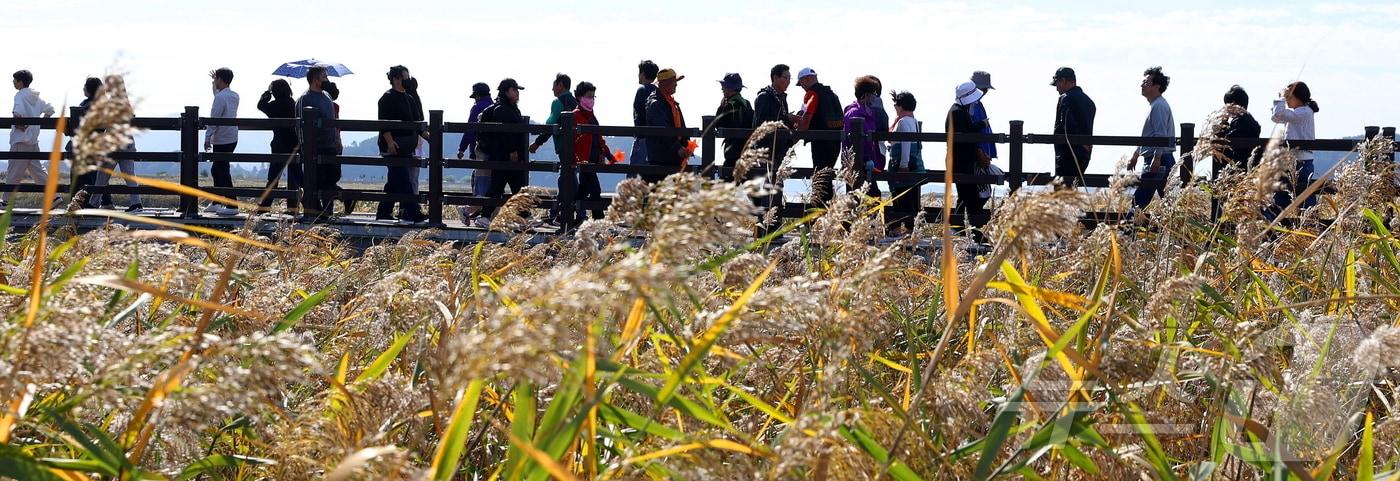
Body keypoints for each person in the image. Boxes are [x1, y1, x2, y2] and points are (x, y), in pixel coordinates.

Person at [70, 76, 141, 211]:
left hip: (115, 143)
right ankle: (136, 203)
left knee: (103, 173)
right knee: (128, 174)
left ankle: (95, 202)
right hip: (127, 141)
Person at [473, 78, 530, 228]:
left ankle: (523, 216)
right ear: (506, 91)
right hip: (504, 155)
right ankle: (485, 216)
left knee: (514, 187)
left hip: (508, 155)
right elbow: (505, 133)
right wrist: (512, 150)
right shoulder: (502, 109)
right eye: (514, 90)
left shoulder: (510, 108)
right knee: (499, 187)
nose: (517, 93)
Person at [375, 65, 426, 223]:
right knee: (403, 180)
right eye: (405, 77)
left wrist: (432, 138)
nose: (408, 80)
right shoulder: (387, 98)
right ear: (396, 79)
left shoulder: (409, 98)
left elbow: (417, 124)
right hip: (393, 146)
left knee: (394, 181)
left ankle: (384, 211)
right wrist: (390, 142)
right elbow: (384, 122)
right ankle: (413, 212)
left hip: (407, 146)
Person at [530, 74, 578, 227]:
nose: (552, 88)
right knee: (571, 178)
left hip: (565, 146)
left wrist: (537, 143)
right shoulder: (575, 101)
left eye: (554, 85)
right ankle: (573, 213)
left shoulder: (558, 102)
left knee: (565, 179)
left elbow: (550, 125)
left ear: (561, 85)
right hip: (577, 146)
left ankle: (561, 215)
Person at [1268, 80, 1321, 220]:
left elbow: (1278, 115)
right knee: (1296, 193)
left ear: (1299, 98)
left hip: (1300, 161)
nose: (1287, 100)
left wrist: (1280, 97)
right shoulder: (1300, 113)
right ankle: (1306, 222)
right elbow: (1276, 116)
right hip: (1297, 160)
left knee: (1302, 194)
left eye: (1289, 97)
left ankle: (1275, 219)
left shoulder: (1303, 113)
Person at [4, 70, 56, 209]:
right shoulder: (36, 96)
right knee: (38, 171)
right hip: (33, 139)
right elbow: (50, 109)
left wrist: (20, 125)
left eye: (14, 80)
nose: (13, 82)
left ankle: (6, 201)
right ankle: (54, 197)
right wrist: (40, 124)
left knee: (14, 170)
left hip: (20, 139)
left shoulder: (19, 95)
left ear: (20, 82)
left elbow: (18, 113)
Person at [295, 66, 340, 221]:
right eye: (324, 77)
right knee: (316, 181)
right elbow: (300, 126)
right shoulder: (304, 99)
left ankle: (328, 212)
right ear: (315, 80)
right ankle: (315, 212)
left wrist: (337, 138)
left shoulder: (327, 95)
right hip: (315, 148)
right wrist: (304, 148)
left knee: (332, 178)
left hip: (330, 145)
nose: (327, 80)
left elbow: (334, 120)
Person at [1127, 66, 1175, 211]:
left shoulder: (1158, 106)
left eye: (1146, 82)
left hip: (1159, 159)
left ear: (1157, 86)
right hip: (1159, 158)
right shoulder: (1156, 105)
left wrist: (1157, 158)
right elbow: (1149, 136)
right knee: (1168, 202)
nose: (1142, 85)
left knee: (1139, 201)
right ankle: (1176, 231)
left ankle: (1129, 231)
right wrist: (1136, 154)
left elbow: (1160, 135)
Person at [949, 81, 991, 243]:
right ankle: (967, 231)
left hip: (961, 160)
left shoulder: (956, 111)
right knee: (970, 196)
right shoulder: (958, 113)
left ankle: (961, 228)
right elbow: (966, 134)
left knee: (966, 196)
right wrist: (980, 124)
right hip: (962, 161)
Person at [794, 67, 844, 203]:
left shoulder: (811, 94)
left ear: (807, 79)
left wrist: (795, 131)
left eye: (801, 83)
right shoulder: (832, 94)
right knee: (826, 177)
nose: (802, 87)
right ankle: (829, 212)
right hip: (836, 143)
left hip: (821, 143)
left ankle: (819, 212)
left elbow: (805, 120)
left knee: (820, 178)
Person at [257, 78, 301, 213]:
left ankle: (264, 207)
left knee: (273, 178)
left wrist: (267, 92)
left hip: (278, 145)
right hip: (293, 144)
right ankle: (301, 206)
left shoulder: (274, 106)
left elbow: (260, 105)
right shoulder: (293, 104)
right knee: (298, 177)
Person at [568, 81, 610, 224]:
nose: (591, 99)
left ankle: (564, 215)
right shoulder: (575, 115)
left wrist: (608, 154)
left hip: (592, 159)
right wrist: (574, 158)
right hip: (583, 160)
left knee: (583, 190)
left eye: (593, 97)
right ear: (579, 97)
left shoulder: (592, 116)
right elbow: (571, 141)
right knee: (595, 189)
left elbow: (599, 138)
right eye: (588, 96)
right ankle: (599, 221)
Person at [1051, 67, 1096, 189]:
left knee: (1061, 193)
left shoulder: (1065, 98)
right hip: (1084, 155)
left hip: (1067, 153)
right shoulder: (1089, 102)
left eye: (1057, 83)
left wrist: (1079, 142)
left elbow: (1066, 126)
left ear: (1064, 80)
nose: (1056, 88)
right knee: (1072, 191)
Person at [887, 91, 925, 234]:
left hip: (901, 164)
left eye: (896, 103)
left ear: (901, 106)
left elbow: (906, 143)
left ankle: (897, 231)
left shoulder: (902, 121)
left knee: (900, 198)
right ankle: (911, 231)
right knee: (910, 198)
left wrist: (903, 164)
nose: (895, 106)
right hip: (912, 165)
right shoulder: (913, 120)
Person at [204, 67, 240, 216]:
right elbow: (218, 95)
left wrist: (207, 137)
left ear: (220, 79)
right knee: (218, 169)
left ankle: (232, 204)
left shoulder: (221, 98)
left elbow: (214, 119)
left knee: (221, 170)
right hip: (231, 137)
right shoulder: (234, 95)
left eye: (215, 79)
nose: (214, 81)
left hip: (221, 138)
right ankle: (217, 201)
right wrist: (214, 85)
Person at [644, 68, 689, 183]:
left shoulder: (669, 102)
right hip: (662, 159)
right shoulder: (656, 104)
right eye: (674, 81)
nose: (676, 85)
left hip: (670, 158)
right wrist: (678, 147)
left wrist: (686, 144)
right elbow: (662, 130)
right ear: (665, 84)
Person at [455, 82, 493, 220]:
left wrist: (462, 148)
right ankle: (481, 213)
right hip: (495, 152)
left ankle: (468, 210)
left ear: (477, 95)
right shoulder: (494, 106)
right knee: (489, 184)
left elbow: (470, 129)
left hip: (481, 150)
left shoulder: (478, 107)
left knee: (481, 183)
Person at [842, 76, 884, 197]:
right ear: (865, 95)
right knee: (859, 198)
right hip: (857, 165)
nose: (876, 96)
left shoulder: (870, 112)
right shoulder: (853, 113)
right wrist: (865, 159)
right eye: (874, 93)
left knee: (873, 197)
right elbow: (851, 142)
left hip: (869, 165)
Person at [714, 73, 754, 181]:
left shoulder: (729, 105)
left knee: (727, 187)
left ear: (730, 88)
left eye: (724, 86)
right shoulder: (747, 104)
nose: (722, 89)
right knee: (749, 187)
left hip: (732, 150)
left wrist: (720, 107)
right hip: (747, 150)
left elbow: (717, 124)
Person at [752, 64, 795, 162]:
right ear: (775, 77)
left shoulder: (782, 98)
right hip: (765, 150)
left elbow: (781, 119)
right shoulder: (764, 97)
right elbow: (763, 123)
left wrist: (792, 123)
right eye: (785, 77)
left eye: (789, 78)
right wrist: (787, 118)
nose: (788, 81)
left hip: (780, 149)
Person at [323, 81, 349, 214]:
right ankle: (341, 198)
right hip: (336, 142)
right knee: (330, 177)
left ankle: (329, 208)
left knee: (325, 178)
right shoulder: (335, 106)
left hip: (330, 143)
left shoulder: (327, 105)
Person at [1219, 85, 1262, 167]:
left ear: (1233, 104)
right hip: (1249, 165)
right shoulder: (1251, 120)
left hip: (1237, 166)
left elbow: (1225, 142)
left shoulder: (1240, 122)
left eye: (1227, 105)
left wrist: (1224, 122)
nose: (1226, 108)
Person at [630, 60, 660, 169]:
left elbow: (640, 113)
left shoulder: (641, 90)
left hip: (642, 138)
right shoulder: (658, 91)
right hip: (655, 142)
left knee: (635, 174)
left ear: (642, 74)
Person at [969, 71, 998, 165]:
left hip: (981, 155)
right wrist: (979, 152)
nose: (985, 92)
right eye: (984, 88)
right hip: (976, 157)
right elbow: (968, 130)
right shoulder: (971, 105)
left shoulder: (977, 103)